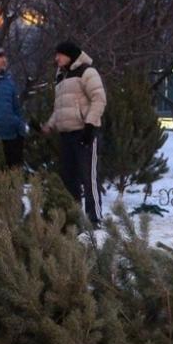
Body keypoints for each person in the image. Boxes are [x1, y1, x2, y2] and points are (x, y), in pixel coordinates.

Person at [42, 41, 107, 225]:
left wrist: (90, 125)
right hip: (66, 134)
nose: (56, 58)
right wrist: (48, 126)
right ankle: (73, 217)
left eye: (59, 54)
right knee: (69, 178)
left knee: (89, 177)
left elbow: (99, 99)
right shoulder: (61, 77)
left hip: (85, 132)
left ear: (70, 55)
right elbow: (60, 108)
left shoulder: (87, 72)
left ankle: (94, 218)